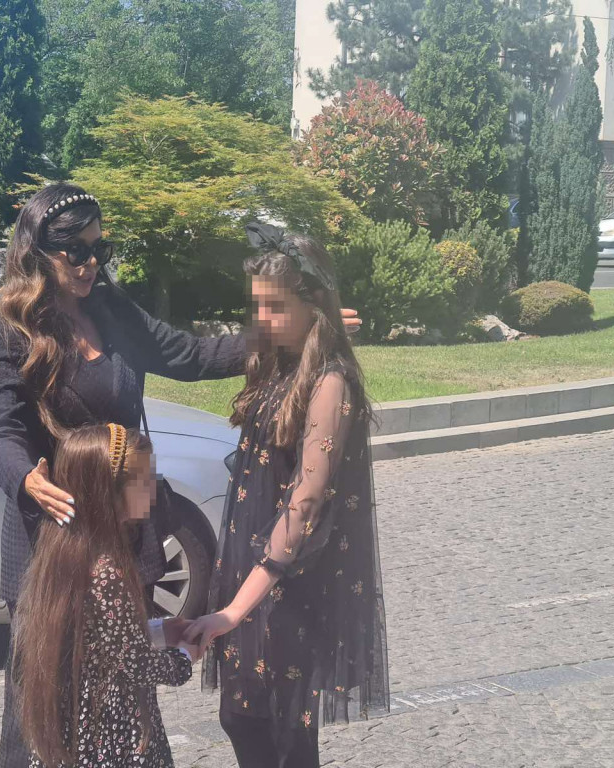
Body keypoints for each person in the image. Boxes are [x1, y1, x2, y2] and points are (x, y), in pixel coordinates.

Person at [0, 183, 362, 768]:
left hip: (120, 537)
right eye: (76, 253)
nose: (90, 264)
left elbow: (188, 354)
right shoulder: (8, 333)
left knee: (123, 708)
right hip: (50, 545)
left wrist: (287, 331)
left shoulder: (110, 309)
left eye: (99, 250)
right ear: (38, 252)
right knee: (44, 715)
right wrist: (24, 479)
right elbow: (0, 431)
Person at [185, 223, 389, 768]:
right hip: (252, 572)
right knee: (245, 719)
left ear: (314, 304)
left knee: (282, 735)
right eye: (257, 306)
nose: (264, 320)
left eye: (276, 307)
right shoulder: (277, 361)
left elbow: (306, 503)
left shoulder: (330, 382)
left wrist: (233, 611)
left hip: (289, 583)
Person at [12, 424, 197, 768]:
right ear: (109, 492)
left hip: (75, 720)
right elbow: (137, 663)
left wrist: (159, 631)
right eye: (144, 481)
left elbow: (103, 637)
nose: (153, 491)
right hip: (110, 730)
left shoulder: (64, 552)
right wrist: (185, 656)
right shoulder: (106, 569)